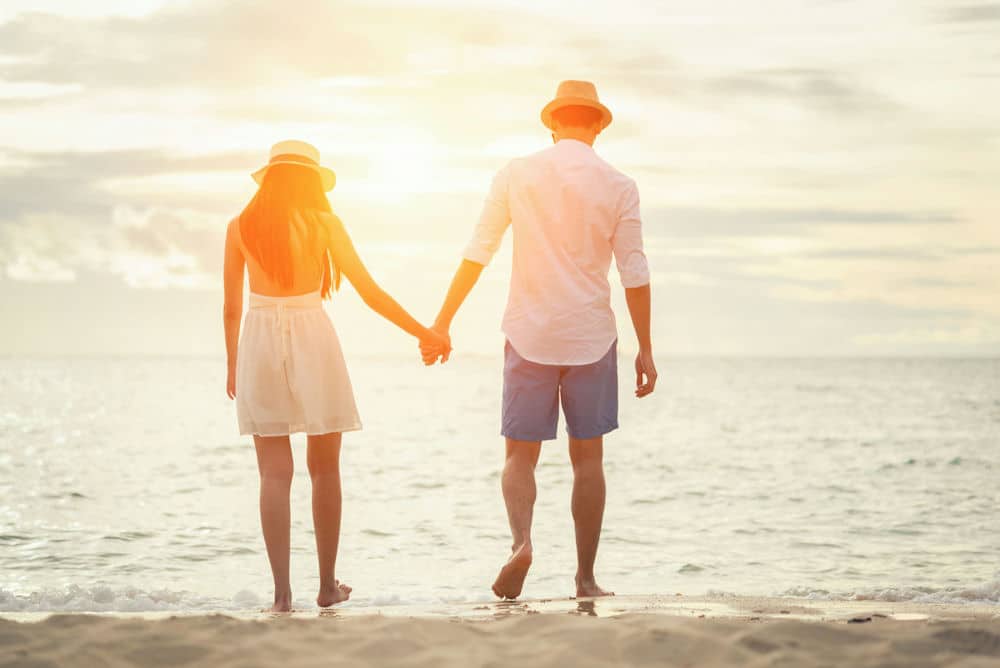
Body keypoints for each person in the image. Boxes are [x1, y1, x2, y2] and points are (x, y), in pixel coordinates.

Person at [422, 81, 657, 600]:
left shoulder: (516, 173)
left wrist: (443, 321)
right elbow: (633, 270)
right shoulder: (619, 184)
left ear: (553, 123)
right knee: (588, 461)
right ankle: (586, 579)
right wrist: (646, 347)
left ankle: (522, 542)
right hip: (591, 337)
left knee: (519, 456)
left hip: (529, 333)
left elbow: (478, 249)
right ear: (596, 124)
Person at [223, 140, 449, 612]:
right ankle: (326, 586)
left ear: (270, 179)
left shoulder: (239, 226)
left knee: (273, 472)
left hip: (258, 341)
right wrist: (423, 331)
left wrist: (232, 364)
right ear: (311, 182)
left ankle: (282, 595)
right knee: (324, 468)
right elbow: (369, 291)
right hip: (312, 337)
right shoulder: (324, 223)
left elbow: (230, 307)